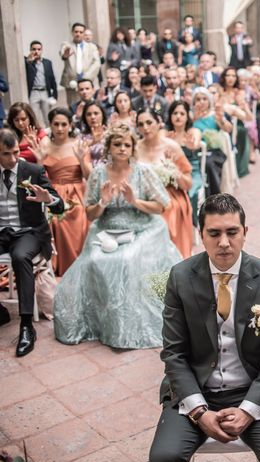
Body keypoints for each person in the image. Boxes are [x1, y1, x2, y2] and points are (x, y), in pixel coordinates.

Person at [148, 193, 260, 462]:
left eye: (232, 232)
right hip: (196, 389)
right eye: (214, 233)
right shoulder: (180, 277)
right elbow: (173, 353)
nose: (224, 242)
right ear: (201, 235)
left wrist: (249, 410)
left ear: (245, 233)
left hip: (253, 388)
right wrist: (199, 411)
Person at [53, 123, 181, 348]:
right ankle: (103, 323)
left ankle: (128, 325)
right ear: (109, 148)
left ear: (133, 148)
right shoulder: (98, 174)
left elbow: (161, 206)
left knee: (126, 259)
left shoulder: (143, 171)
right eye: (117, 144)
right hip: (106, 228)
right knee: (94, 260)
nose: (122, 148)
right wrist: (103, 201)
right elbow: (91, 214)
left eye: (127, 145)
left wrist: (134, 201)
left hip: (143, 227)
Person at [0, 128, 64, 356]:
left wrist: (50, 199)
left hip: (29, 232)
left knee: (20, 257)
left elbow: (60, 205)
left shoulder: (33, 170)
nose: (13, 158)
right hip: (1, 232)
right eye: (6, 154)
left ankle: (26, 325)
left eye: (16, 152)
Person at [29, 107, 90, 276]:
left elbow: (89, 175)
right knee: (55, 221)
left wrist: (81, 160)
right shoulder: (44, 144)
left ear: (70, 125)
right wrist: (39, 160)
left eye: (64, 124)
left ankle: (79, 265)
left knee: (78, 217)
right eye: (56, 124)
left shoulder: (78, 144)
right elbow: (39, 176)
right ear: (51, 125)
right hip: (52, 193)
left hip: (76, 193)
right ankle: (59, 267)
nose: (60, 128)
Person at [136, 108, 193, 258]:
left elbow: (188, 184)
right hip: (143, 197)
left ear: (158, 123)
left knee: (167, 216)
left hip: (170, 198)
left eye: (149, 122)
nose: (146, 128)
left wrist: (172, 169)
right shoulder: (134, 148)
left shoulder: (171, 147)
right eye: (141, 124)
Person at [165, 100, 203, 226]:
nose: (178, 116)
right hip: (168, 171)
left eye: (182, 113)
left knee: (189, 192)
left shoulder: (193, 132)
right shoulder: (165, 133)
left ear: (187, 116)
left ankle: (188, 225)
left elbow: (196, 142)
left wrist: (192, 146)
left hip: (191, 171)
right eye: (175, 113)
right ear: (170, 116)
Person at [59, 22, 101, 106]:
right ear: (72, 32)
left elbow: (96, 63)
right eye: (76, 32)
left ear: (84, 34)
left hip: (88, 82)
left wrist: (85, 78)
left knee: (90, 105)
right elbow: (63, 53)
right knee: (73, 106)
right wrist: (65, 55)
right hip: (72, 83)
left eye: (81, 32)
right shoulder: (66, 45)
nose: (78, 34)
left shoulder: (91, 47)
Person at [24, 40, 58, 127]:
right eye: (34, 49)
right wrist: (30, 62)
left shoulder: (47, 63)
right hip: (33, 92)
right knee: (34, 116)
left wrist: (54, 95)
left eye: (39, 49)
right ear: (30, 50)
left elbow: (52, 79)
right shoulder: (27, 62)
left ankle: (50, 133)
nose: (36, 51)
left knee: (48, 115)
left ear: (42, 50)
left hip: (45, 91)